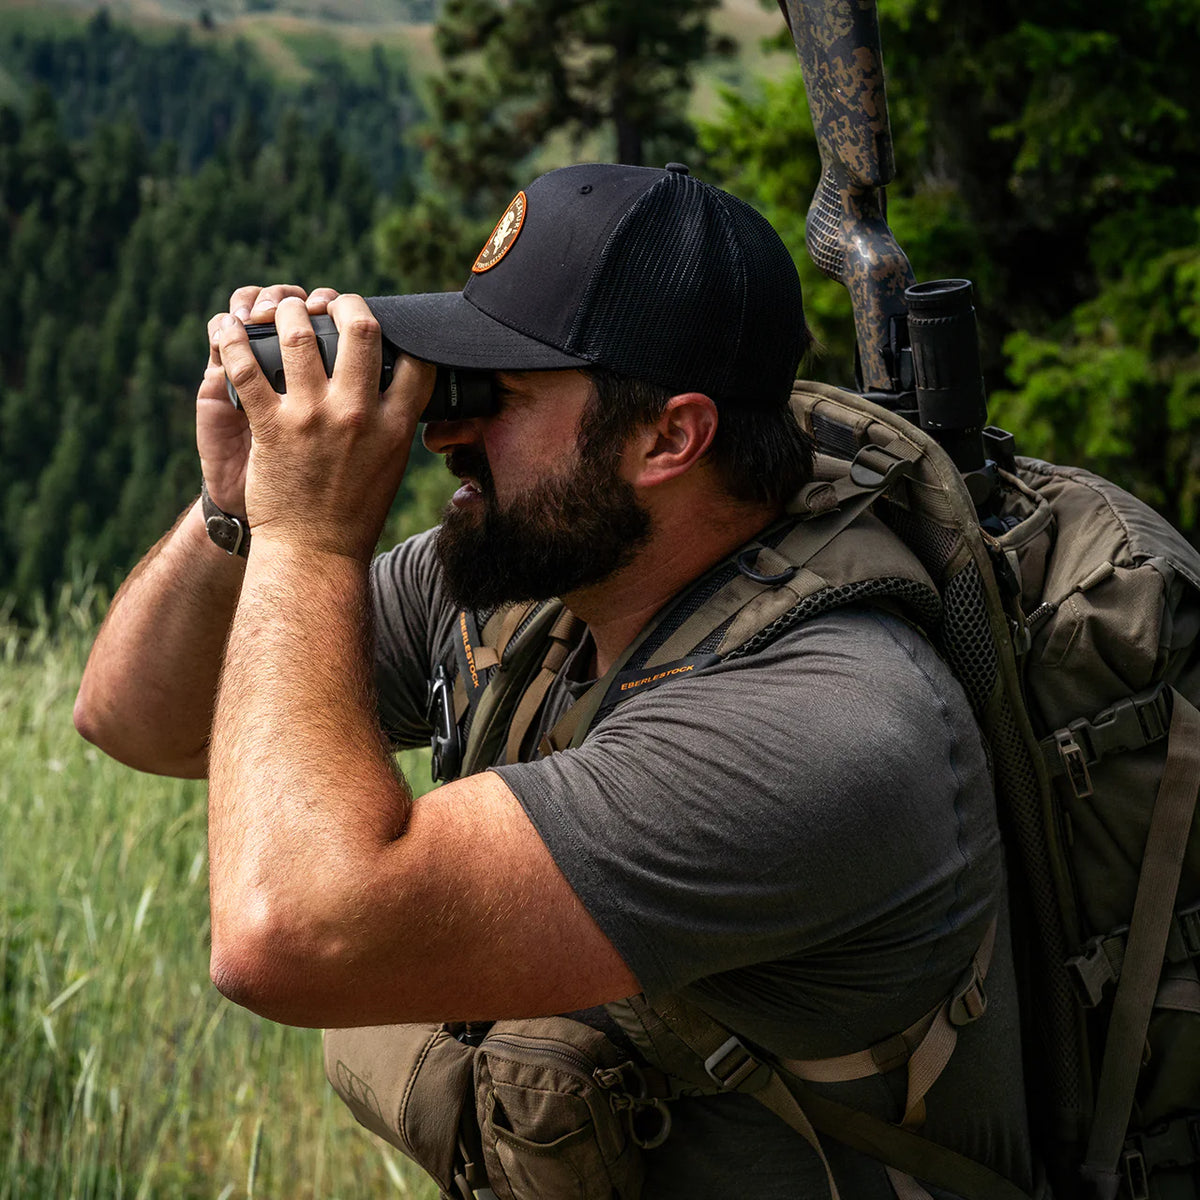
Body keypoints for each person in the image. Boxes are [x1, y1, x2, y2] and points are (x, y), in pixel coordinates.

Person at [75, 162, 1033, 1198]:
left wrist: (308, 535)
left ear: (670, 437)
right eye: (454, 379)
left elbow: (286, 935)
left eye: (500, 396)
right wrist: (238, 511)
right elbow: (139, 719)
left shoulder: (825, 728)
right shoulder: (530, 584)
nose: (444, 432)